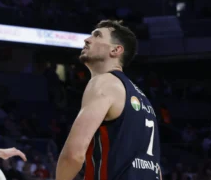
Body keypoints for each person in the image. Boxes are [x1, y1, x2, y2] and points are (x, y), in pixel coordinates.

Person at [56, 20, 162, 180]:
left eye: (97, 35)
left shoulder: (104, 82)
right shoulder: (143, 99)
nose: (87, 40)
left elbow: (73, 155)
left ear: (116, 50)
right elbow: (157, 171)